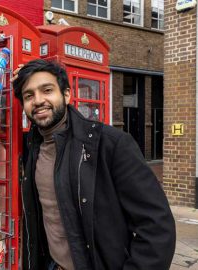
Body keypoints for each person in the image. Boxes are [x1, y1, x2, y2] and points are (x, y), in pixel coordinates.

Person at [12, 59, 175, 270]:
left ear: (67, 95)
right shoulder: (31, 149)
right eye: (29, 95)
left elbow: (157, 227)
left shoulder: (110, 144)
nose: (38, 100)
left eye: (47, 90)